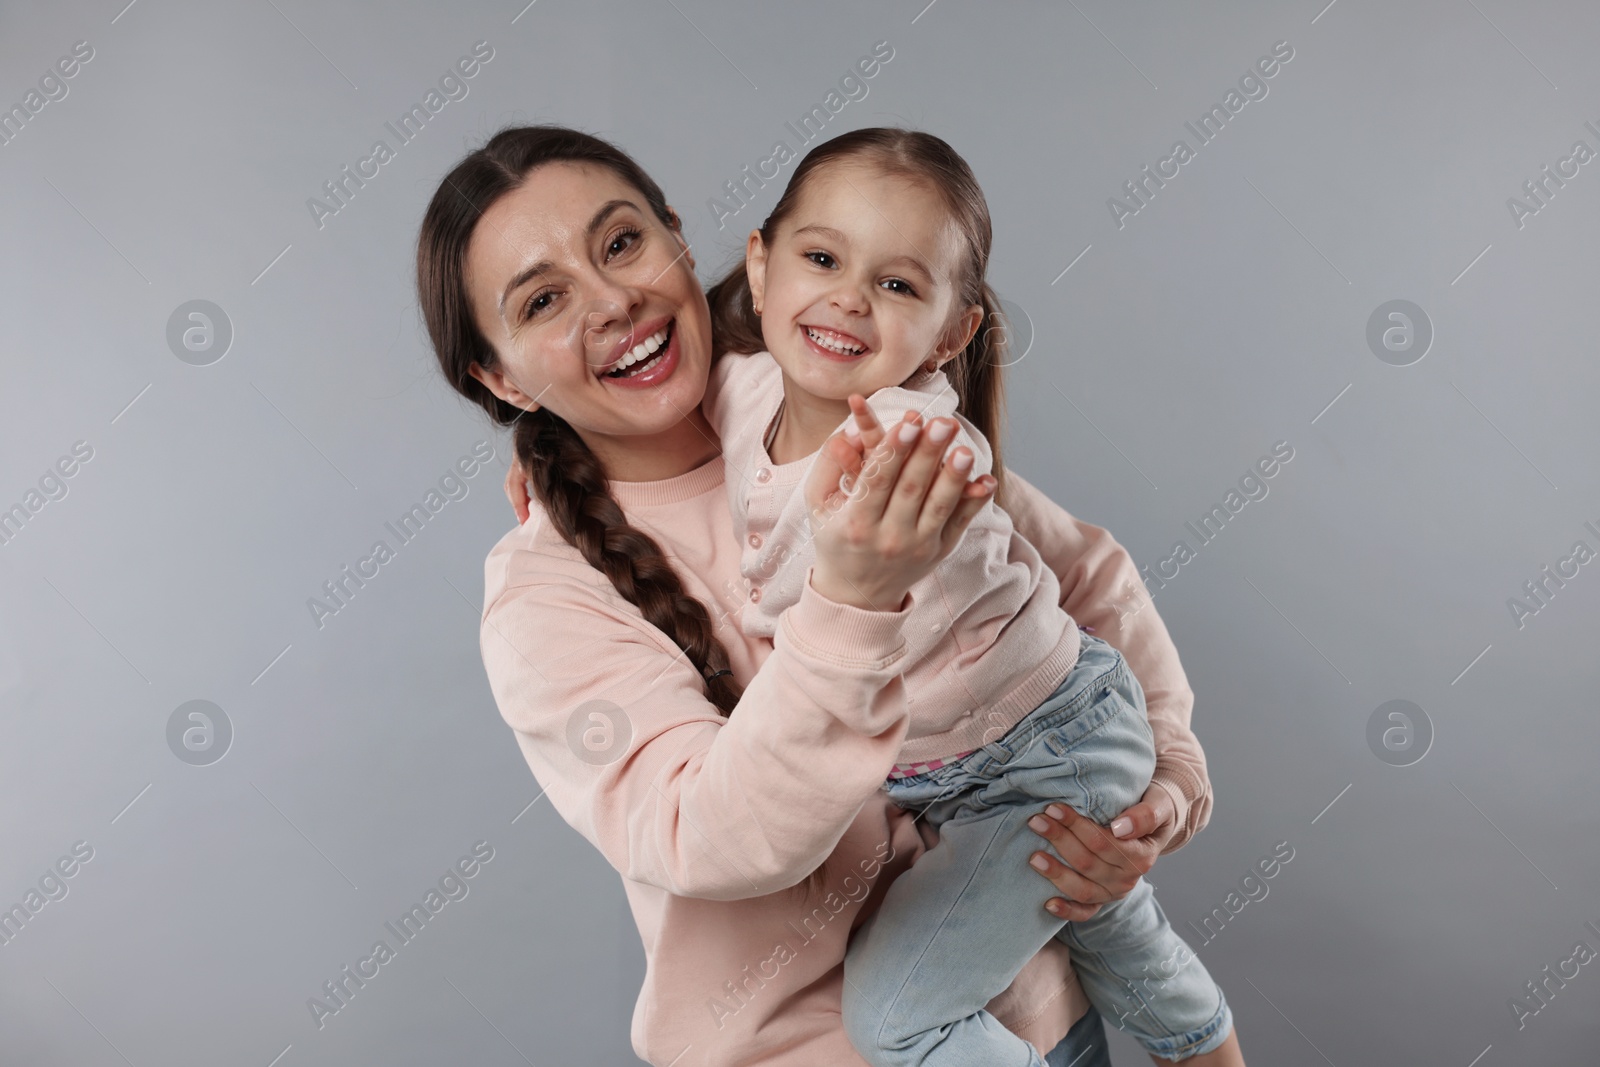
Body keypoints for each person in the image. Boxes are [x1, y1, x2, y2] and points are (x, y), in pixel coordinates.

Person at [419, 124, 1213, 1067]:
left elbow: (1084, 580)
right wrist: (849, 603)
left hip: (1033, 1022)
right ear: (498, 375)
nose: (613, 302)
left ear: (679, 238)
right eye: (544, 300)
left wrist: (1165, 779)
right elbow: (706, 837)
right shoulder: (543, 595)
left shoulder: (833, 400)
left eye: (623, 243)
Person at [696, 127, 1244, 1065]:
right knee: (1109, 933)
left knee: (897, 1016)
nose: (847, 298)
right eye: (821, 257)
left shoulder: (915, 442)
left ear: (951, 333)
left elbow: (912, 502)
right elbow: (649, 404)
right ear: (761, 265)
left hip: (1044, 755)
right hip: (969, 769)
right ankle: (1208, 1047)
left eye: (898, 284)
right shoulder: (743, 390)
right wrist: (548, 460)